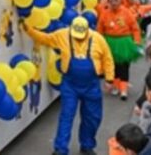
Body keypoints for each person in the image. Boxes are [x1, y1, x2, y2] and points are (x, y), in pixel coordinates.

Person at [24, 16, 115, 155]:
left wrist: (109, 79)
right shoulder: (62, 34)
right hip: (70, 84)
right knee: (66, 116)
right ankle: (60, 148)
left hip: (91, 85)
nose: (77, 38)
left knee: (92, 117)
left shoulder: (98, 39)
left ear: (87, 31)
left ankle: (87, 145)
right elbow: (45, 39)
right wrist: (28, 29)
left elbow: (107, 59)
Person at [97, 0, 141, 100]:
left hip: (124, 43)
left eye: (116, 0)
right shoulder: (105, 13)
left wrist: (136, 41)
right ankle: (116, 86)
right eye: (112, 0)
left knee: (124, 66)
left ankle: (124, 89)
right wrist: (99, 43)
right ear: (109, 2)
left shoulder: (127, 12)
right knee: (113, 65)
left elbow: (135, 28)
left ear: (120, 1)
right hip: (110, 42)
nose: (114, 3)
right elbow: (100, 30)